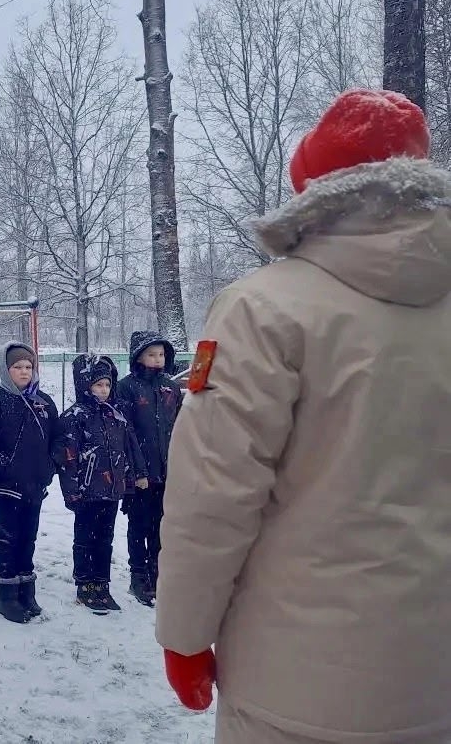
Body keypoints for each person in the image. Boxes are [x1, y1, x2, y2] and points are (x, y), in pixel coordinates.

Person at [155, 89, 451, 743]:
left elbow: (213, 492)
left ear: (313, 190)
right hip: (433, 678)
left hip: (292, 687)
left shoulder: (263, 311)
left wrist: (183, 635)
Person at [0, 341, 59, 623]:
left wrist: (49, 466)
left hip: (34, 484)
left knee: (28, 537)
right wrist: (0, 464)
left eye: (28, 367)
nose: (23, 372)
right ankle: (6, 593)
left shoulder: (43, 402)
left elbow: (57, 438)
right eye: (17, 367)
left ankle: (25, 589)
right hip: (6, 486)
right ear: (6, 370)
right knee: (7, 537)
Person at [54, 354, 145, 614]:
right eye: (97, 385)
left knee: (105, 538)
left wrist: (129, 480)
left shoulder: (116, 415)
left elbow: (127, 449)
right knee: (85, 538)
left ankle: (101, 583)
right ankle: (85, 584)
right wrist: (72, 492)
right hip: (86, 492)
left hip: (111, 491)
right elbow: (67, 459)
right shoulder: (75, 417)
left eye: (107, 385)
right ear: (86, 386)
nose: (103, 390)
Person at [115, 330, 181, 606]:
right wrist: (137, 472)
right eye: (151, 354)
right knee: (139, 525)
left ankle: (157, 574)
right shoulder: (126, 387)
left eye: (161, 354)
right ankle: (138, 576)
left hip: (168, 472)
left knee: (162, 527)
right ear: (138, 357)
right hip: (140, 474)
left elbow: (180, 427)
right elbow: (125, 432)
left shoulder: (171, 387)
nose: (157, 360)